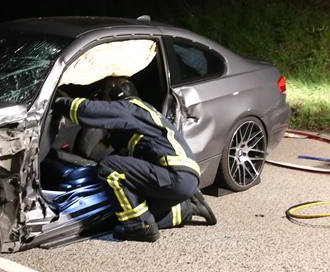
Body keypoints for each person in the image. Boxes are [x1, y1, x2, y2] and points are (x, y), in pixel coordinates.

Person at [52, 76, 216, 242]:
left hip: (173, 173)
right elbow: (113, 152)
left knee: (109, 169)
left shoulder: (130, 107)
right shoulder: (145, 113)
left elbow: (88, 110)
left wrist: (58, 102)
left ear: (117, 92)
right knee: (123, 214)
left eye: (104, 96)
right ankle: (186, 208)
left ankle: (140, 228)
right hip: (185, 177)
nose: (103, 101)